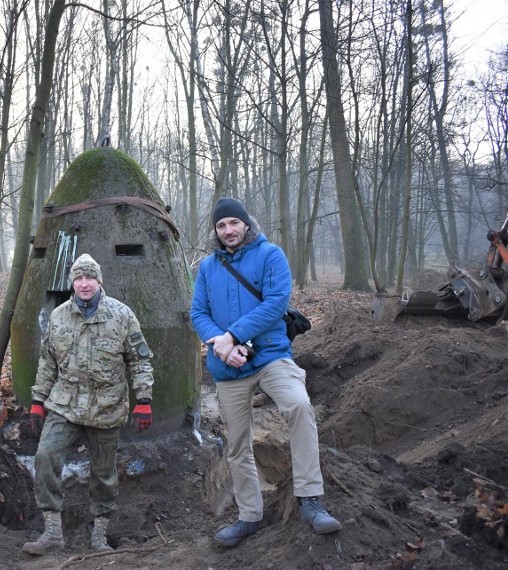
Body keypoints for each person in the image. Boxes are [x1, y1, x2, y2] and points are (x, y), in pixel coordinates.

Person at [190, 197, 342, 548]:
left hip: (272, 357)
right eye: (221, 226)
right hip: (228, 368)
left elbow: (275, 303)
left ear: (246, 224)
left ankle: (310, 500)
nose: (228, 230)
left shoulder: (270, 254)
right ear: (216, 232)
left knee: (299, 407)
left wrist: (233, 335)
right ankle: (249, 516)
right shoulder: (208, 269)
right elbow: (198, 313)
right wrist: (221, 345)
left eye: (233, 223)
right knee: (237, 443)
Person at [23, 253, 155, 555]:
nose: (84, 284)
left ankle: (100, 535)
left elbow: (140, 361)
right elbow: (47, 363)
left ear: (99, 281)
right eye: (79, 278)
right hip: (65, 405)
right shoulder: (58, 317)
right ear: (72, 283)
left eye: (90, 278)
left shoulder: (122, 315)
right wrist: (37, 401)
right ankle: (53, 532)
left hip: (106, 409)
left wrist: (143, 400)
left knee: (104, 474)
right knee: (45, 457)